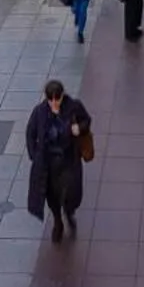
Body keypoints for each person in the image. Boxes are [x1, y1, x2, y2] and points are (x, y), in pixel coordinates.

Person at [25, 79, 93, 243]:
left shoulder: (73, 106)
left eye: (57, 99)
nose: (54, 103)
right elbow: (30, 134)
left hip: (69, 160)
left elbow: (87, 120)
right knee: (52, 196)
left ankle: (69, 212)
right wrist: (35, 156)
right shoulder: (40, 112)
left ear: (62, 96)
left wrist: (80, 128)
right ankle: (58, 221)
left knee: (71, 193)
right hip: (49, 164)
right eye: (51, 99)